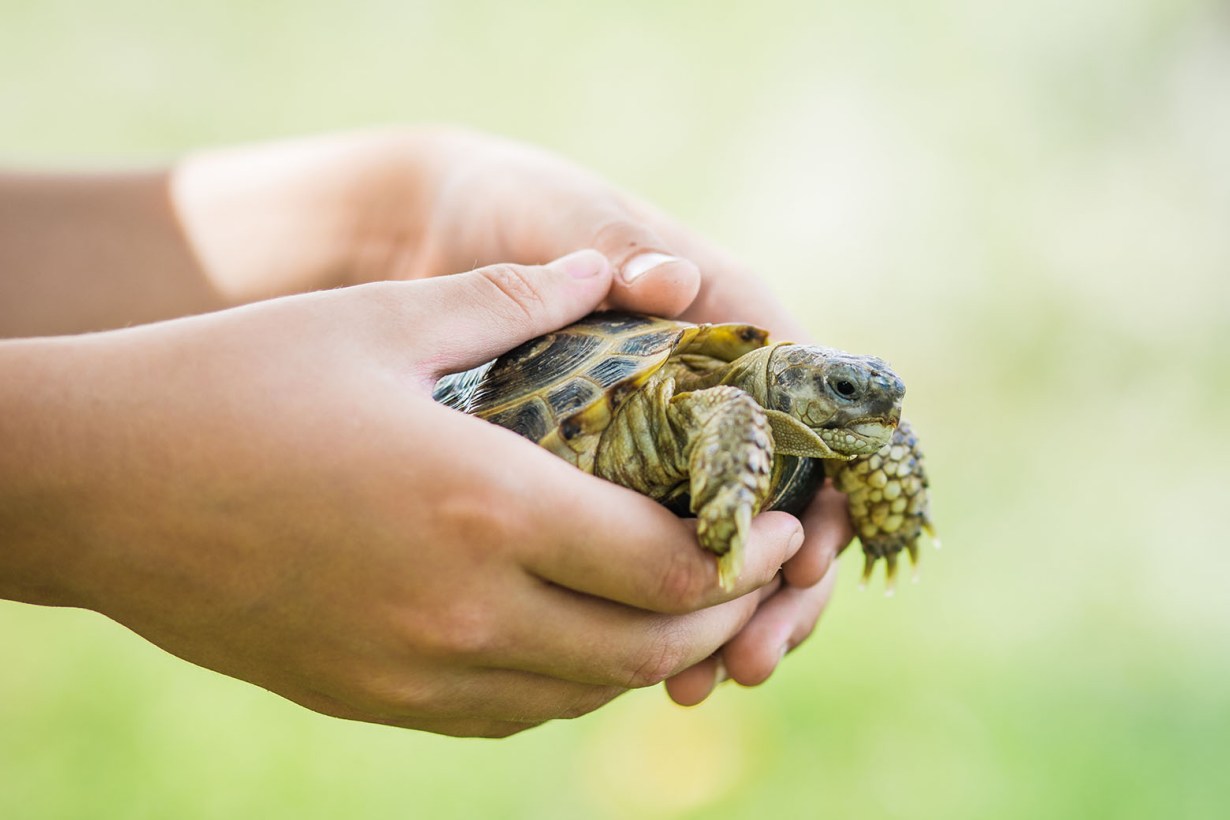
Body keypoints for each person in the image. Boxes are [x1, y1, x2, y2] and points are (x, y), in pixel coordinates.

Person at [0, 126, 851, 738]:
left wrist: (403, 207)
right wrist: (107, 476)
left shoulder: (812, 421)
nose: (865, 413)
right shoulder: (730, 407)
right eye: (842, 389)